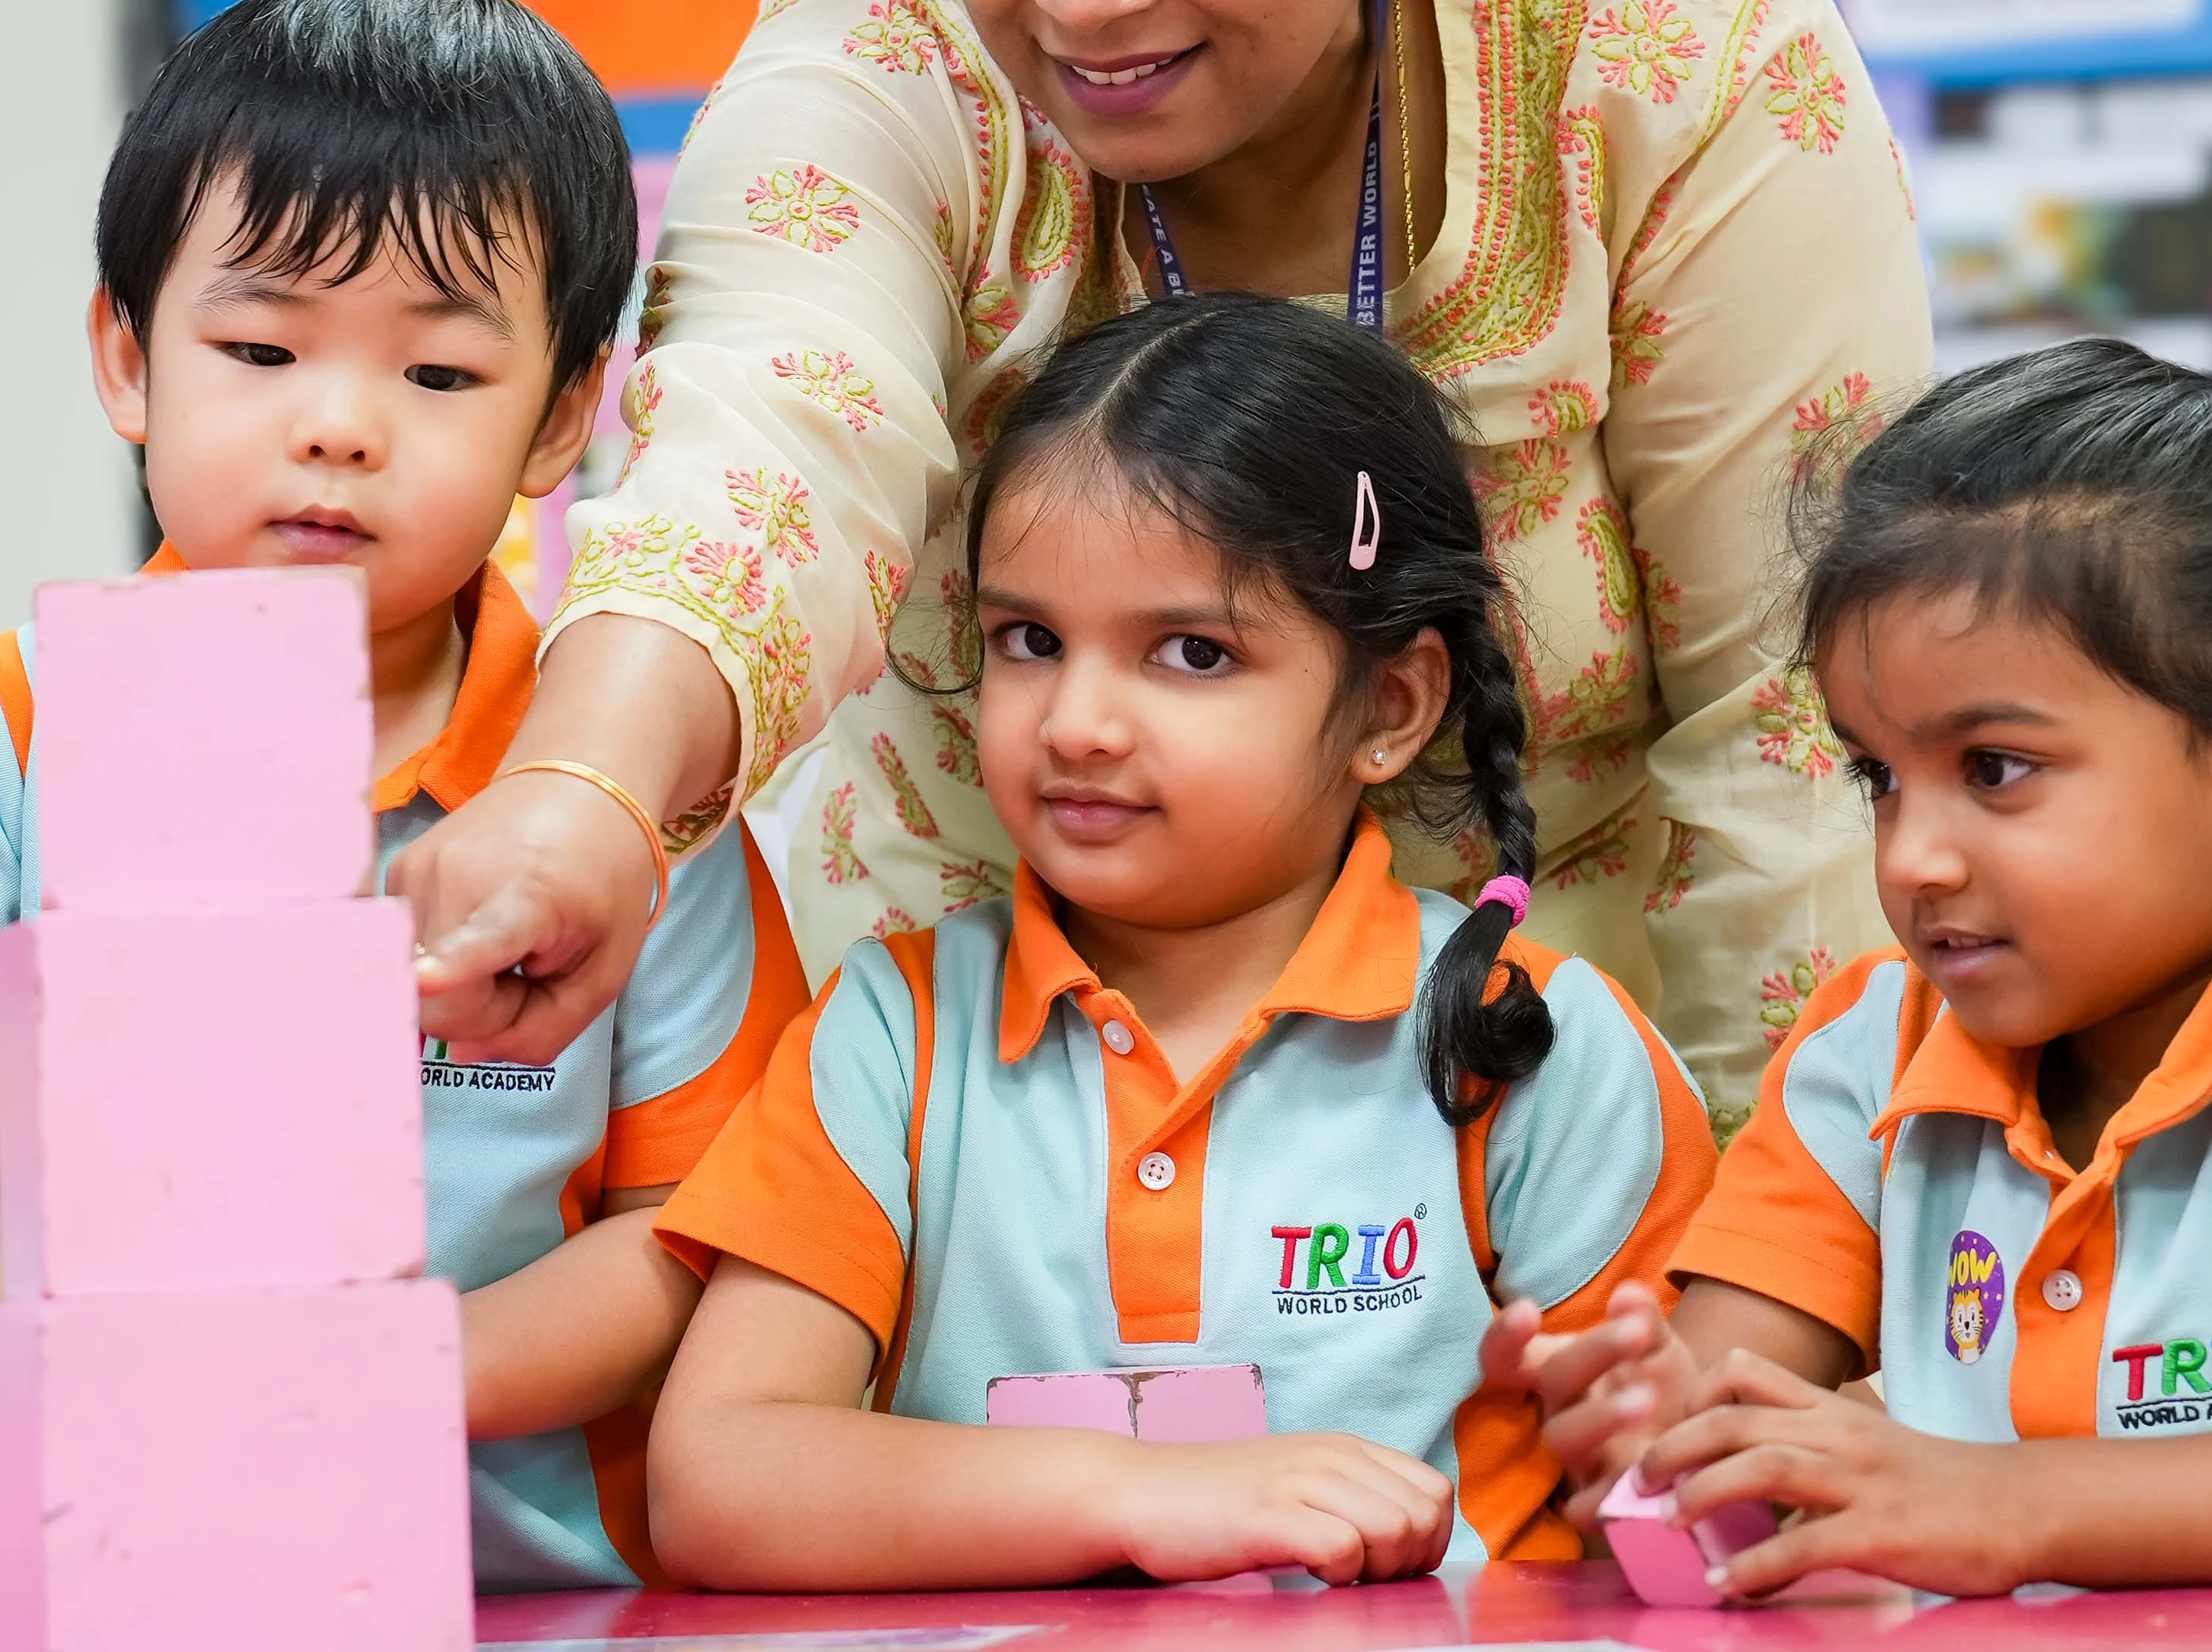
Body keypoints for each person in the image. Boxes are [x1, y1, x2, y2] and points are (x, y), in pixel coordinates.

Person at [394, 0, 1928, 1150]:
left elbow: (1796, 715)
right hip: (990, 1123)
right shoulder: (880, 56)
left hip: (1575, 1123)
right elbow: (774, 429)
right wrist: (584, 788)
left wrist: (1766, 1251)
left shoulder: (1671, 41)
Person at [0, 0, 804, 1590]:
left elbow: (685, 1233)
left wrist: (360, 1387)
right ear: (127, 359)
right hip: (134, 1566)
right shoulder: (2, 723)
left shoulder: (620, 773)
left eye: (437, 375)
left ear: (560, 419)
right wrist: (111, 1418)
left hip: (536, 1587)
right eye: (258, 349)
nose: (338, 427)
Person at [1495, 335, 2212, 1598]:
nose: (1913, 858)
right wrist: (1662, 1432)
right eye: (1880, 775)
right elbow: (1728, 1425)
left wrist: (2005, 1505)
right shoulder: (1868, 1056)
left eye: (1995, 768)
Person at [644, 296, 1717, 1590]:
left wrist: (1651, 1448)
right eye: (1030, 641)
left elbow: (1696, 1502)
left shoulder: (1536, 1043)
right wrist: (1136, 1496)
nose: (1077, 722)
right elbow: (714, 1481)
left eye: (1193, 653)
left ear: (1391, 705)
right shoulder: (889, 1035)